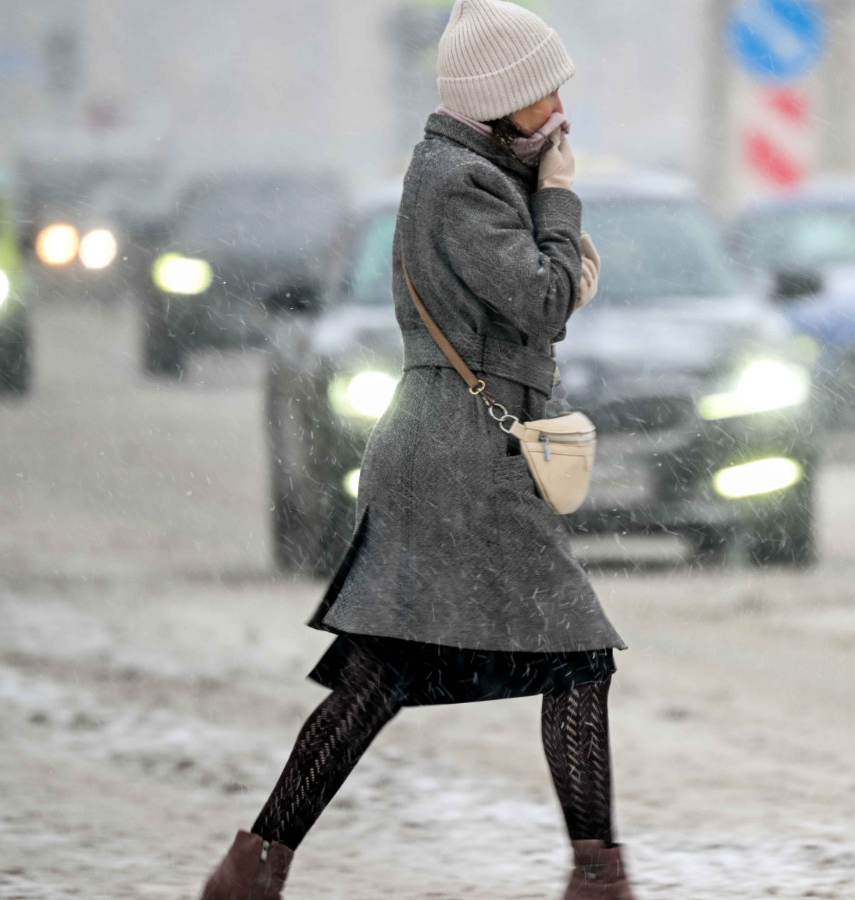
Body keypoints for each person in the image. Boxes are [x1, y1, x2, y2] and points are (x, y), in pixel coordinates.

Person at [198, 1, 629, 897]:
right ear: (501, 96)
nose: (558, 107)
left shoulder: (471, 172)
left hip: (455, 449)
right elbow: (547, 299)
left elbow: (543, 291)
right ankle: (599, 878)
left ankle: (255, 865)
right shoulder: (456, 182)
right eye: (543, 89)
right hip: (457, 458)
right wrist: (558, 192)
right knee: (575, 657)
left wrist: (545, 204)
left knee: (378, 677)